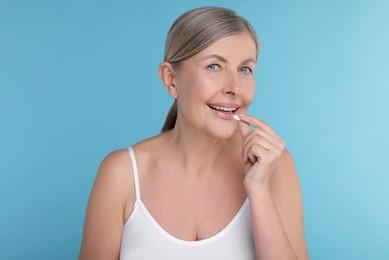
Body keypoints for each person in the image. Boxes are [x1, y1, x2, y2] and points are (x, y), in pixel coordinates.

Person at [79, 6, 309, 260]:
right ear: (171, 80)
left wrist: (260, 192)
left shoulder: (274, 167)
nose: (234, 88)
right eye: (214, 66)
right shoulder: (121, 173)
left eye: (245, 69)